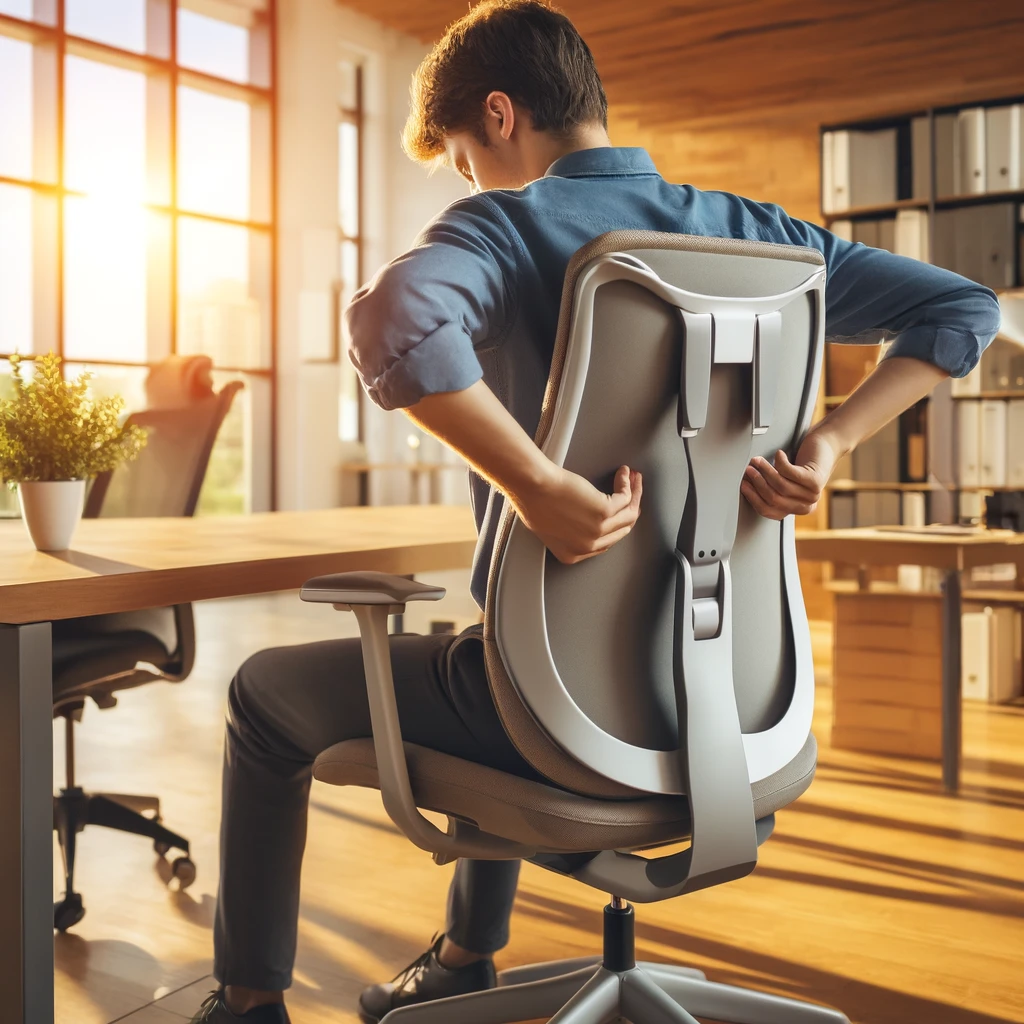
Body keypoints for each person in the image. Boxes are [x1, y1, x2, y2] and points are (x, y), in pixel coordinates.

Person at [190, 1, 1000, 1020]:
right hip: (743, 712)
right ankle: (461, 955)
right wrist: (831, 437)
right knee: (485, 644)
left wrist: (531, 484)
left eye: (457, 157)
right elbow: (965, 305)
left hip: (552, 714)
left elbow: (391, 316)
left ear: (498, 116)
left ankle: (246, 1006)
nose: (467, 181)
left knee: (266, 695)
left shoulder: (507, 224)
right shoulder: (758, 235)